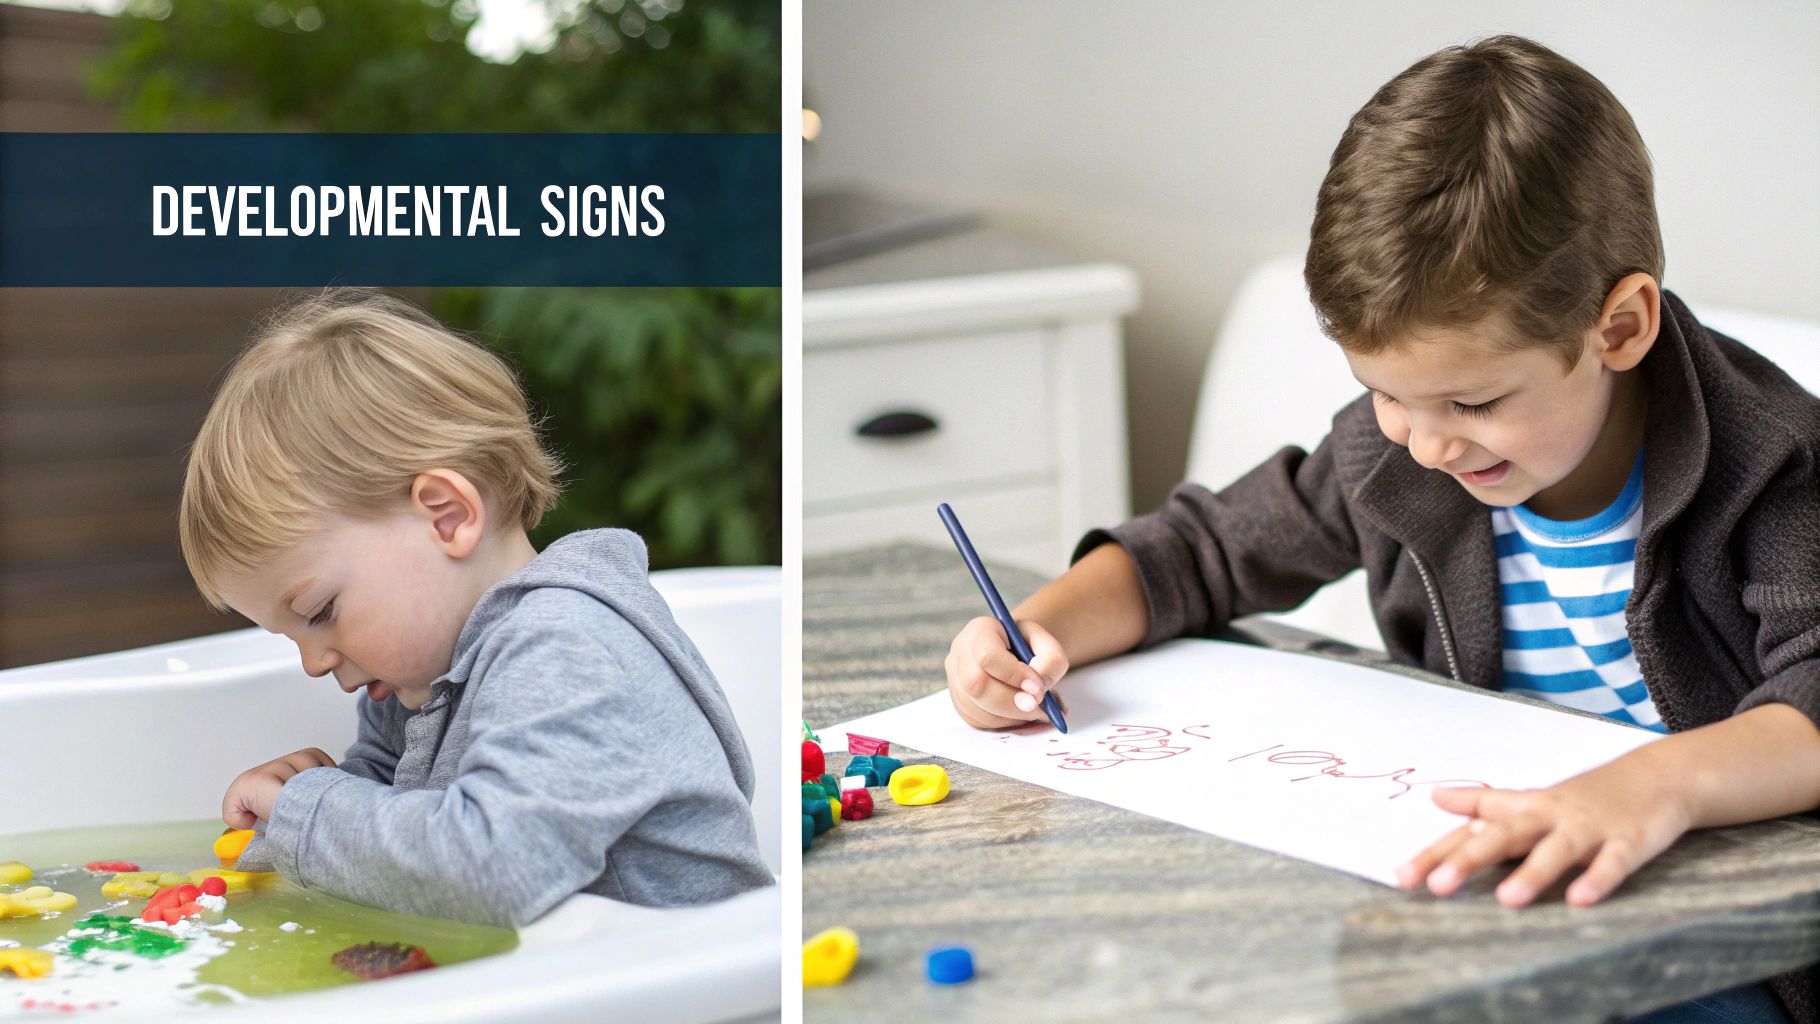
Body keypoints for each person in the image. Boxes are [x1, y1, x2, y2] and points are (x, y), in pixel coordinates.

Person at [943, 36, 1820, 1022]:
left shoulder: (1772, 463)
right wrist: (1034, 634)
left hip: (1720, 939)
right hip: (1487, 905)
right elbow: (1198, 551)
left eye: (1472, 401)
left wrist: (1645, 787)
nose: (1425, 442)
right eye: (1381, 394)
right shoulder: (1397, 445)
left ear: (1617, 328)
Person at [179, 289, 772, 927]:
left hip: (694, 986)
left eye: (319, 611)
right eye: (288, 636)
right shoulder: (417, 676)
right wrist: (291, 809)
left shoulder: (566, 644)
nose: (313, 662)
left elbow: (493, 866)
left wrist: (312, 812)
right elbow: (394, 829)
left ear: (448, 516)